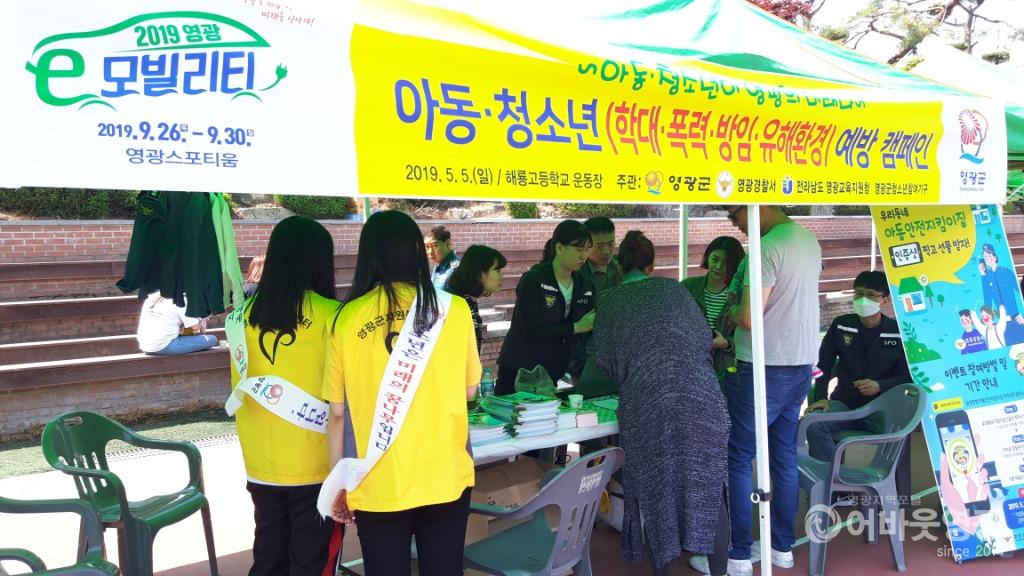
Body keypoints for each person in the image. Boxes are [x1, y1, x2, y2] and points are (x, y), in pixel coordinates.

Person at [323, 210, 480, 576]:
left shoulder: (346, 318)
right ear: (417, 253)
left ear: (368, 255)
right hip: (444, 474)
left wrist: (338, 483)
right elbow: (470, 389)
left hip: (377, 479)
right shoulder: (454, 309)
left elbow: (337, 413)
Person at [593, 231, 730, 576]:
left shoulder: (610, 301)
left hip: (648, 403)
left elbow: (606, 361)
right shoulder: (675, 289)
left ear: (619, 266)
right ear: (652, 265)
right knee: (711, 489)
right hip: (704, 397)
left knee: (658, 492)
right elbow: (704, 338)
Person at [698, 205, 821, 576]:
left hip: (763, 367)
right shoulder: (808, 241)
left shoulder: (767, 248)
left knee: (738, 457)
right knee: (783, 455)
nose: (735, 223)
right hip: (800, 364)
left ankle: (737, 555)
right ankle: (781, 547)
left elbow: (751, 317)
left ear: (756, 205)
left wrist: (733, 309)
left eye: (734, 214)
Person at [227, 216, 342, 576]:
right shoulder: (333, 316)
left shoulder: (240, 316)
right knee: (311, 562)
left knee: (269, 556)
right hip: (316, 461)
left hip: (261, 460)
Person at [805, 271, 911, 462]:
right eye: (859, 293)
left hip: (882, 409)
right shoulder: (841, 325)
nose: (863, 300)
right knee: (813, 423)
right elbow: (824, 366)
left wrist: (880, 386)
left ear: (886, 300)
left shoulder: (898, 332)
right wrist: (820, 398)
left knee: (900, 429)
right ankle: (831, 477)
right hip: (844, 404)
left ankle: (882, 476)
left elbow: (907, 376)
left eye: (871, 295)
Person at [496, 219, 596, 395]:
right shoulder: (534, 279)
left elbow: (587, 330)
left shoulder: (585, 285)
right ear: (559, 248)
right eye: (578, 249)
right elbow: (531, 330)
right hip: (519, 369)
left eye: (587, 250)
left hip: (552, 371)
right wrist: (576, 327)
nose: (583, 256)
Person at [683, 236, 746, 382]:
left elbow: (750, 335)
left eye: (726, 263)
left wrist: (727, 343)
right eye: (715, 259)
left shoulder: (741, 295)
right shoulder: (687, 287)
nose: (718, 266)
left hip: (726, 369)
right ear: (707, 257)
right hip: (690, 365)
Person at [446, 244, 507, 353]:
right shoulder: (455, 304)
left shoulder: (470, 301)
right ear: (480, 273)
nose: (502, 276)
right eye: (497, 270)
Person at [136, 291, 218, 355]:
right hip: (164, 346)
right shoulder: (181, 299)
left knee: (186, 330)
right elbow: (196, 328)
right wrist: (202, 318)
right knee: (212, 339)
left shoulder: (152, 297)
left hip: (144, 345)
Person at [980, 243, 1024, 344]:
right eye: (985, 257)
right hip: (1002, 324)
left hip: (1017, 319)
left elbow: (1021, 292)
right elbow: (987, 303)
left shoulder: (1006, 272)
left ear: (995, 257)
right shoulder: (987, 277)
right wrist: (983, 276)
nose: (988, 258)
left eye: (989, 255)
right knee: (1012, 350)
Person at [578, 216, 622, 292]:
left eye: (610, 244)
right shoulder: (575, 276)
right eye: (599, 246)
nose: (606, 252)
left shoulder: (621, 266)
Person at [425, 225, 460, 289]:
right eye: (427, 247)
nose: (430, 252)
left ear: (448, 244)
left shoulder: (455, 270)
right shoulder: (439, 266)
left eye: (435, 246)